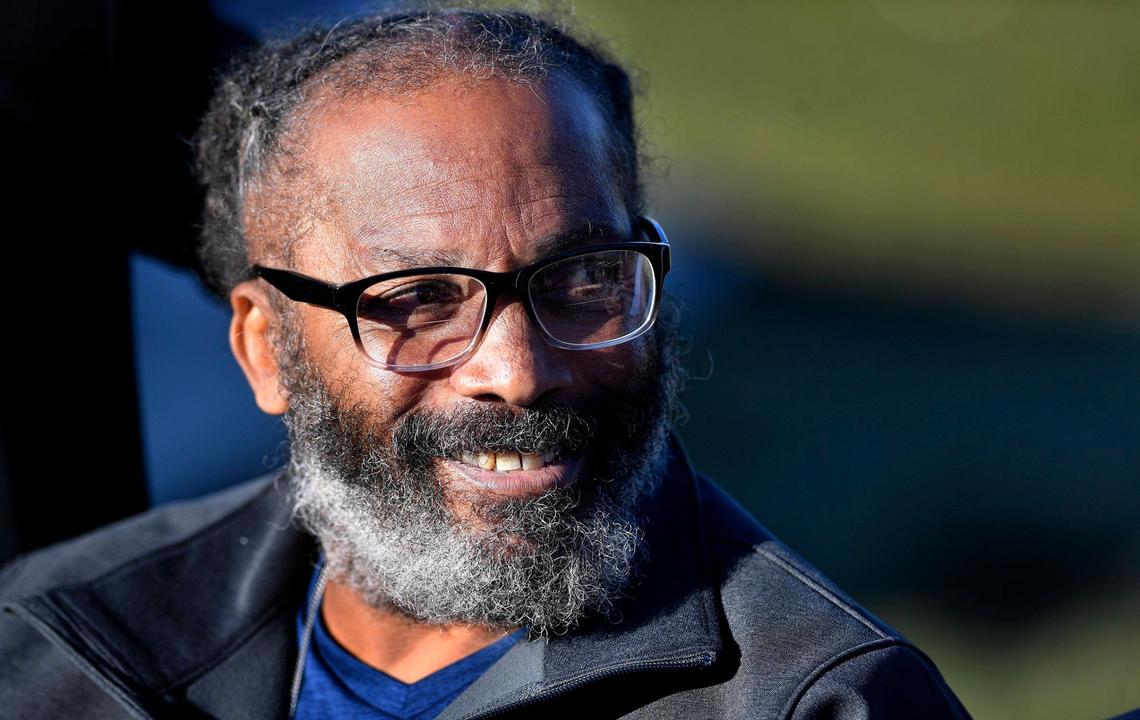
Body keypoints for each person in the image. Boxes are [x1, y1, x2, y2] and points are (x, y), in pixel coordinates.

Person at [0, 8, 972, 719]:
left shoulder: (818, 702)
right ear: (266, 348)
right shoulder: (49, 637)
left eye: (584, 278)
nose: (518, 371)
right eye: (417, 299)